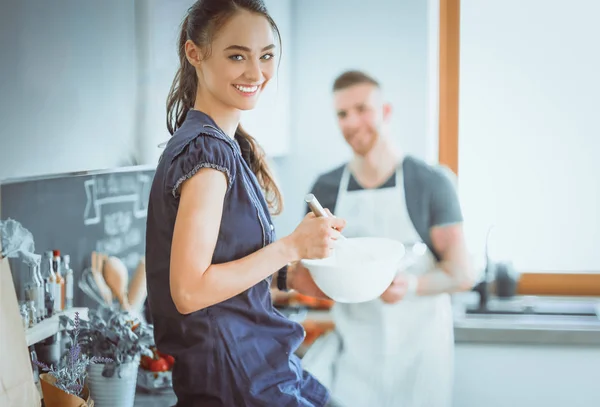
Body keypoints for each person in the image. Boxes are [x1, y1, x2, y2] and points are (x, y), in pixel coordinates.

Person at [144, 1, 346, 406]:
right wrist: (290, 246)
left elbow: (223, 265)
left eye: (266, 56)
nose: (256, 73)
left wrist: (288, 275)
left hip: (253, 367)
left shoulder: (223, 146)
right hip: (236, 378)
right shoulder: (206, 154)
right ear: (194, 53)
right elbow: (189, 289)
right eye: (237, 56)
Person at [301, 70, 475, 407]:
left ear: (386, 111)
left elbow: (462, 273)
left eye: (362, 109)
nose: (352, 122)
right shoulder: (324, 189)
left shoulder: (431, 183)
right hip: (353, 358)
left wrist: (409, 286)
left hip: (420, 357)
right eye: (342, 114)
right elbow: (311, 266)